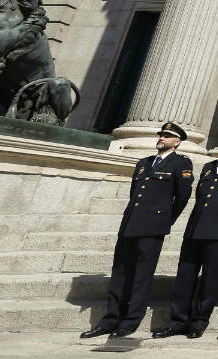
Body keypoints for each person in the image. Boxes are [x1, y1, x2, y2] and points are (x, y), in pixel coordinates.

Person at [81, 122, 193, 340]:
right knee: (120, 274)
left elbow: (182, 197)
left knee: (141, 276)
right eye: (161, 134)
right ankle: (111, 319)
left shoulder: (181, 164)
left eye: (167, 136)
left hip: (153, 227)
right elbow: (135, 194)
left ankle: (130, 321)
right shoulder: (144, 163)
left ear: (177, 142)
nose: (162, 137)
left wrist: (165, 220)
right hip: (130, 224)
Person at [151, 131, 218, 340]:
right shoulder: (209, 167)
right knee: (185, 276)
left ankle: (198, 322)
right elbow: (200, 196)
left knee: (209, 279)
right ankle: (177, 321)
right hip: (196, 228)